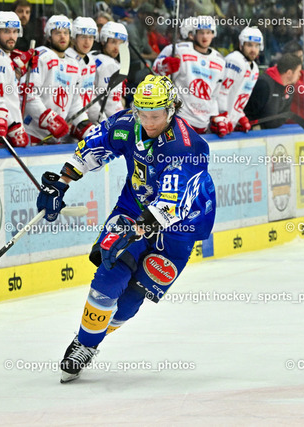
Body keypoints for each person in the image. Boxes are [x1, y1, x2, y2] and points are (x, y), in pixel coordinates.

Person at [35, 75, 216, 383]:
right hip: (134, 208)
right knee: (110, 273)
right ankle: (85, 344)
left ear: (171, 110)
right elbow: (94, 146)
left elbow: (171, 204)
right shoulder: (127, 124)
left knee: (132, 299)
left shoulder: (186, 147)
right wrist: (61, 183)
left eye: (155, 115)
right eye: (143, 114)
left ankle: (92, 338)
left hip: (182, 225)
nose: (148, 122)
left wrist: (135, 231)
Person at [24, 15, 93, 145]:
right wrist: (49, 119)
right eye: (57, 33)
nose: (62, 37)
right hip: (32, 135)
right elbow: (28, 93)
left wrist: (84, 125)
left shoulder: (74, 64)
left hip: (56, 137)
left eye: (66, 33)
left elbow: (75, 102)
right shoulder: (41, 56)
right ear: (49, 37)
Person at [153, 16, 226, 136]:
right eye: (201, 32)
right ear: (193, 34)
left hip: (203, 123)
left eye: (208, 32)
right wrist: (166, 66)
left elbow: (215, 94)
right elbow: (156, 71)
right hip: (180, 119)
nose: (205, 36)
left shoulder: (220, 61)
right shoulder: (178, 50)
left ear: (214, 34)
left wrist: (216, 117)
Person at [0, 12, 32, 149]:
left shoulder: (3, 56)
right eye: (6, 31)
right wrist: (13, 127)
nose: (12, 36)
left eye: (15, 31)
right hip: (1, 133)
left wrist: (18, 71)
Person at [216, 26, 262, 133]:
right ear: (241, 45)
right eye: (249, 45)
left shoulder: (254, 68)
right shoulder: (234, 60)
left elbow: (240, 97)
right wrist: (221, 116)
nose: (253, 50)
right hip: (218, 120)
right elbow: (221, 92)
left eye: (256, 46)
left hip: (230, 121)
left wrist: (239, 116)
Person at [244, 53, 302, 129]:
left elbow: (284, 115)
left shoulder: (290, 88)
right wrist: (256, 128)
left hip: (273, 132)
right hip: (252, 133)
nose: (300, 74)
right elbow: (248, 111)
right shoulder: (264, 85)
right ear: (289, 73)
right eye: (298, 71)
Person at [64, 17, 98, 142]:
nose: (87, 42)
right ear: (74, 37)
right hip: (64, 125)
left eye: (91, 37)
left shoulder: (91, 61)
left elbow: (90, 95)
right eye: (83, 37)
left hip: (82, 122)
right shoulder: (66, 59)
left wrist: (102, 119)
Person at [87, 22, 128, 123]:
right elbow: (111, 106)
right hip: (102, 121)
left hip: (88, 116)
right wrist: (122, 121)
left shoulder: (91, 55)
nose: (117, 48)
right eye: (113, 42)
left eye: (121, 43)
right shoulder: (110, 65)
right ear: (103, 41)